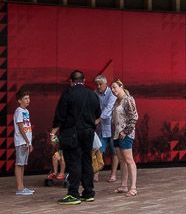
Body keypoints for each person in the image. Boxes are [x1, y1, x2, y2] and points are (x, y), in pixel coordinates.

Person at [52, 70, 102, 205]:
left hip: (71, 133)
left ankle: (73, 194)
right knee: (87, 160)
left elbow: (60, 115)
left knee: (74, 162)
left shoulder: (68, 93)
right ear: (84, 80)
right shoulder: (92, 94)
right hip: (88, 133)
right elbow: (98, 114)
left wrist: (53, 132)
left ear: (71, 81)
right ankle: (88, 192)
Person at [109, 80, 139, 197]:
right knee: (121, 160)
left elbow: (134, 117)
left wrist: (125, 132)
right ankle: (124, 185)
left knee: (129, 160)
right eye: (112, 88)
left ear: (121, 86)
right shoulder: (117, 101)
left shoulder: (128, 99)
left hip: (126, 134)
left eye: (115, 87)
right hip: (116, 134)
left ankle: (133, 187)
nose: (113, 90)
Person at [94, 74, 118, 182]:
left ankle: (113, 174)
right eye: (97, 84)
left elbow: (109, 109)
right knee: (99, 150)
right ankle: (96, 173)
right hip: (101, 128)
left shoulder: (111, 93)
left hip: (112, 127)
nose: (98, 86)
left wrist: (98, 119)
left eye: (100, 84)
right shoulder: (95, 93)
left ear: (105, 84)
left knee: (114, 152)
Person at [13, 90, 34, 196]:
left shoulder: (26, 111)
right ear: (19, 100)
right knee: (19, 164)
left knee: (22, 165)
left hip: (25, 142)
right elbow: (21, 127)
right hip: (21, 141)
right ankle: (20, 188)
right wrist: (26, 141)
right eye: (25, 98)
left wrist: (29, 143)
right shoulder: (19, 111)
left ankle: (22, 187)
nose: (28, 100)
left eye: (28, 98)